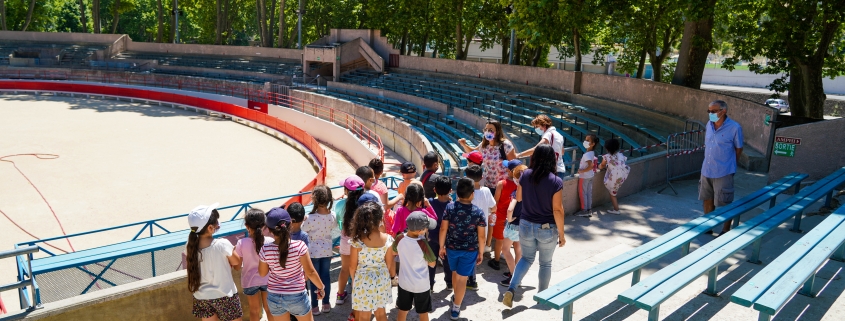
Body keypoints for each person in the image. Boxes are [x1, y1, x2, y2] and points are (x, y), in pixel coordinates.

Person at [502, 144, 566, 308]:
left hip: (525, 224)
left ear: (534, 157)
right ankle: (541, 297)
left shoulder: (525, 175)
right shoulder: (556, 181)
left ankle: (511, 288)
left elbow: (520, 197)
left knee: (526, 258)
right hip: (546, 227)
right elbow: (557, 209)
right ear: (553, 159)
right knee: (545, 263)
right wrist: (561, 234)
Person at [259, 207, 326, 321]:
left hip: (274, 296)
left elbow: (262, 273)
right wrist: (321, 287)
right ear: (290, 224)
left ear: (270, 230)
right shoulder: (299, 246)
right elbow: (310, 271)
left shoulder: (265, 249)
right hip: (297, 295)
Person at [438, 178, 487, 320]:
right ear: (472, 194)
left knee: (455, 273)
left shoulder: (450, 208)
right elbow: (481, 236)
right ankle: (456, 308)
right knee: (462, 279)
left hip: (452, 249)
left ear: (457, 193)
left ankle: (455, 296)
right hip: (470, 251)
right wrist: (481, 252)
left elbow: (443, 229)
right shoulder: (478, 212)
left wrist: (442, 247)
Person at [186, 203, 243, 321]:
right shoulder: (222, 244)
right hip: (225, 296)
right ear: (210, 228)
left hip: (201, 297)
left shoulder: (190, 246)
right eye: (216, 222)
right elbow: (237, 262)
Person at [701, 100, 743, 235]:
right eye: (709, 111)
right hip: (707, 169)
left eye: (713, 111)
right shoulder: (709, 124)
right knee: (707, 199)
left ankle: (725, 230)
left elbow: (739, 149)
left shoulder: (735, 128)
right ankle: (708, 227)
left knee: (725, 202)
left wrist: (731, 165)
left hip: (724, 171)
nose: (710, 114)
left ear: (723, 111)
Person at [387, 212, 438, 321]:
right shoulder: (423, 243)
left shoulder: (399, 238)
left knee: (403, 310)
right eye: (426, 228)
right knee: (423, 313)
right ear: (420, 231)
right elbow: (432, 263)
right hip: (421, 285)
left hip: (404, 283)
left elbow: (393, 252)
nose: (427, 230)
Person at [348, 202, 394, 321]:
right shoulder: (387, 239)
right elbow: (389, 264)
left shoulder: (357, 241)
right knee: (381, 313)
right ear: (380, 219)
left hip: (363, 279)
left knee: (363, 316)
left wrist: (355, 279)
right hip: (381, 277)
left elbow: (352, 266)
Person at [300, 185, 337, 315]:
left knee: (314, 278)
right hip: (327, 251)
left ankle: (314, 306)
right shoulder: (332, 215)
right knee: (325, 276)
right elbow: (334, 227)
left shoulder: (310, 218)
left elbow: (303, 230)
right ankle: (326, 303)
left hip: (313, 252)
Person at [235, 208, 276, 321]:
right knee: (269, 309)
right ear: (264, 225)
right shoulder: (269, 241)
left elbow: (237, 266)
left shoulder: (241, 243)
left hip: (249, 281)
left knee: (254, 311)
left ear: (246, 225)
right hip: (268, 280)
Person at [458, 120, 517, 194]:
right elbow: (472, 152)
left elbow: (514, 165)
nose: (487, 132)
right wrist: (464, 144)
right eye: (485, 129)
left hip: (503, 186)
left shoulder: (506, 145)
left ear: (498, 131)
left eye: (490, 130)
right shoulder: (484, 145)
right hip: (488, 185)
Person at [335, 175, 366, 308]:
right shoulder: (365, 205)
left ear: (346, 191)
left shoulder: (340, 204)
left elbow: (338, 221)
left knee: (345, 269)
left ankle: (340, 295)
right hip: (362, 242)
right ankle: (358, 297)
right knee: (359, 270)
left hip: (346, 240)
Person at [465, 164, 495, 290]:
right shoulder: (486, 191)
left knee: (469, 254)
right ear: (482, 177)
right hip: (483, 228)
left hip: (468, 229)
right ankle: (471, 278)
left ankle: (471, 280)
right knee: (475, 254)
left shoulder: (466, 192)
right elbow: (493, 208)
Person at [489, 160, 521, 271]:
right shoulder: (522, 185)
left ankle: (496, 261)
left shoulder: (501, 184)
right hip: (517, 218)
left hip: (501, 216)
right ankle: (516, 268)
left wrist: (492, 214)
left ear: (509, 170)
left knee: (500, 240)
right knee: (517, 244)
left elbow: (496, 201)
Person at [500, 164, 527, 287]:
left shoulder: (516, 193)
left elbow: (510, 209)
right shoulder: (531, 192)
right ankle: (518, 274)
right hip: (524, 226)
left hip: (514, 226)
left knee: (505, 250)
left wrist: (509, 219)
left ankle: (514, 277)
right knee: (519, 251)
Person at [427, 176, 454, 289]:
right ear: (450, 190)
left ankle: (430, 284)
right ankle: (449, 283)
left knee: (431, 262)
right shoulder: (452, 206)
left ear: (434, 190)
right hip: (447, 239)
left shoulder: (430, 202)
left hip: (432, 237)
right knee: (447, 262)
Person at [598, 138, 629, 215]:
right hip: (623, 174)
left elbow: (602, 165)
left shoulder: (606, 157)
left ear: (607, 148)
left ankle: (616, 209)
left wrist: (599, 167)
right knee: (614, 190)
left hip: (615, 176)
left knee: (612, 193)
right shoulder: (620, 154)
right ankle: (616, 208)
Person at [576, 134, 598, 217]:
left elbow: (591, 165)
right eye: (585, 139)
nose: (585, 142)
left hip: (584, 176)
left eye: (588, 140)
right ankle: (589, 209)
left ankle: (584, 210)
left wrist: (582, 171)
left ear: (593, 144)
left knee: (582, 193)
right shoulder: (591, 152)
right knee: (588, 192)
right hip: (590, 175)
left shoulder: (586, 155)